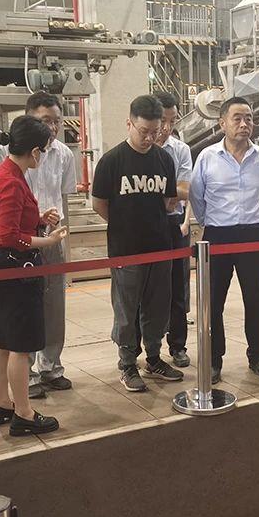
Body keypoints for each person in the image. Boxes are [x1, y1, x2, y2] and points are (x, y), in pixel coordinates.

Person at [0, 91, 77, 400]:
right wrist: (43, 236)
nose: (52, 128)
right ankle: (26, 384)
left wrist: (46, 226)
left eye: (57, 121)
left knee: (50, 308)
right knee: (20, 328)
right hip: (20, 250)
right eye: (45, 121)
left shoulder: (62, 154)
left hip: (42, 237)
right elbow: (7, 228)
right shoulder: (7, 166)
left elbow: (63, 196)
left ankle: (49, 368)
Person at [91, 95, 183, 392]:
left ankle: (154, 358)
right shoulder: (111, 161)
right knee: (126, 310)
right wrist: (124, 225)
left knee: (157, 308)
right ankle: (127, 363)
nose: (150, 138)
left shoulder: (164, 159)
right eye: (144, 131)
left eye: (155, 131)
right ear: (129, 124)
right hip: (126, 250)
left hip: (160, 246)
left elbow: (168, 201)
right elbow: (99, 204)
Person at [190, 96, 259, 382]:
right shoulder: (207, 157)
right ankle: (213, 361)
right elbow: (197, 197)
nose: (244, 123)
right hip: (218, 235)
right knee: (213, 302)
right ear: (222, 123)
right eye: (237, 118)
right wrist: (210, 223)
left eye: (248, 118)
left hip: (252, 234)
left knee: (255, 298)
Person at [152, 91, 194, 368]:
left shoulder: (180, 150)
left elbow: (185, 189)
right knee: (149, 289)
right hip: (146, 226)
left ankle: (177, 345)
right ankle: (148, 347)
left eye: (173, 120)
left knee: (178, 287)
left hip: (175, 224)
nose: (166, 128)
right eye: (162, 120)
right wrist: (169, 193)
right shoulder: (136, 150)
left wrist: (158, 192)